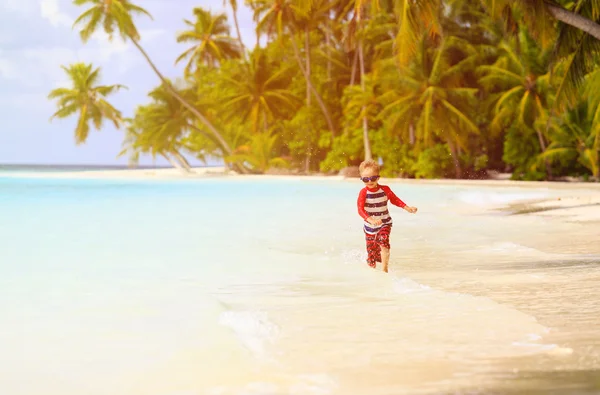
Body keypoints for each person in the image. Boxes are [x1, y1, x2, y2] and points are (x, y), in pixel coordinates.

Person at [356, 160, 417, 272]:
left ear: (378, 177)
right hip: (369, 227)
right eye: (365, 179)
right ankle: (372, 273)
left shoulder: (385, 189)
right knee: (372, 256)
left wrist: (407, 207)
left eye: (373, 178)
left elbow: (394, 199)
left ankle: (385, 270)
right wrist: (370, 220)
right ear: (361, 178)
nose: (369, 181)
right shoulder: (363, 193)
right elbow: (360, 209)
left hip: (385, 223)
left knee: (383, 242)